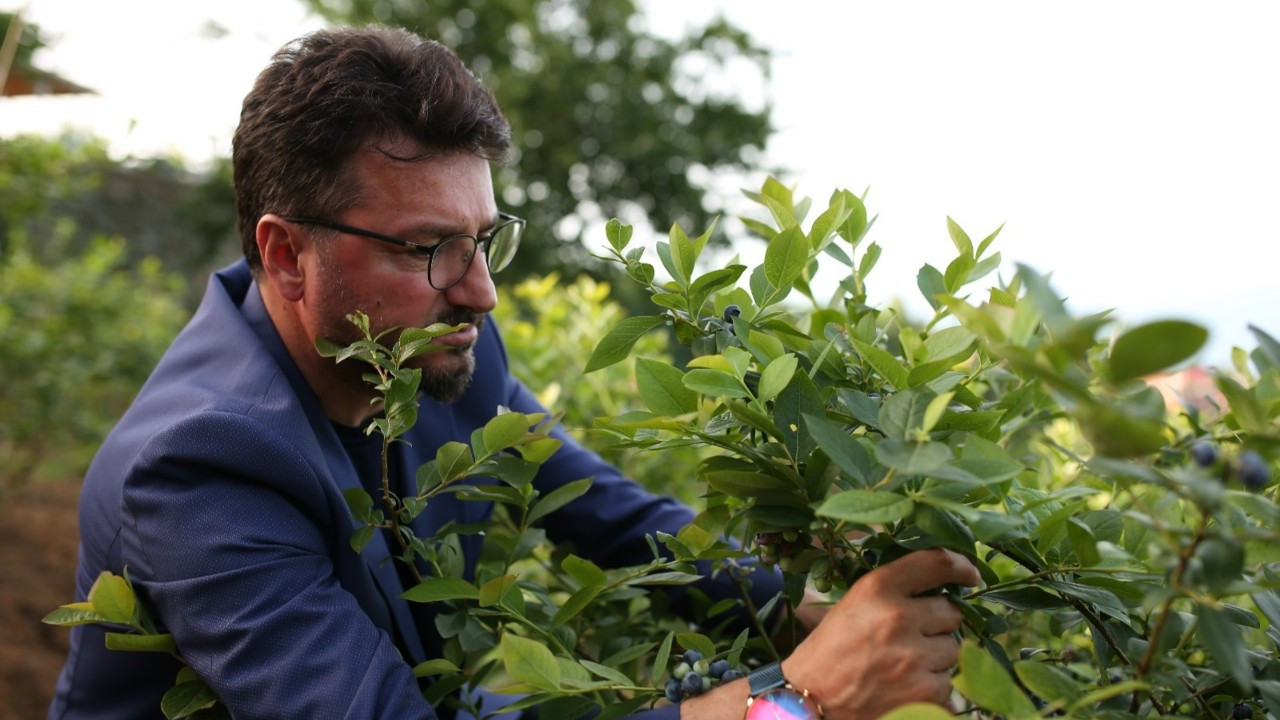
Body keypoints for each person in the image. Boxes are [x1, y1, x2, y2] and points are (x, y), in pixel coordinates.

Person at [48, 25, 979, 720]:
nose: (482, 294)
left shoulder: (445, 348)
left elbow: (602, 509)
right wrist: (797, 700)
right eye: (427, 248)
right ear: (287, 255)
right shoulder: (199, 469)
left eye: (484, 240)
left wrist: (795, 610)